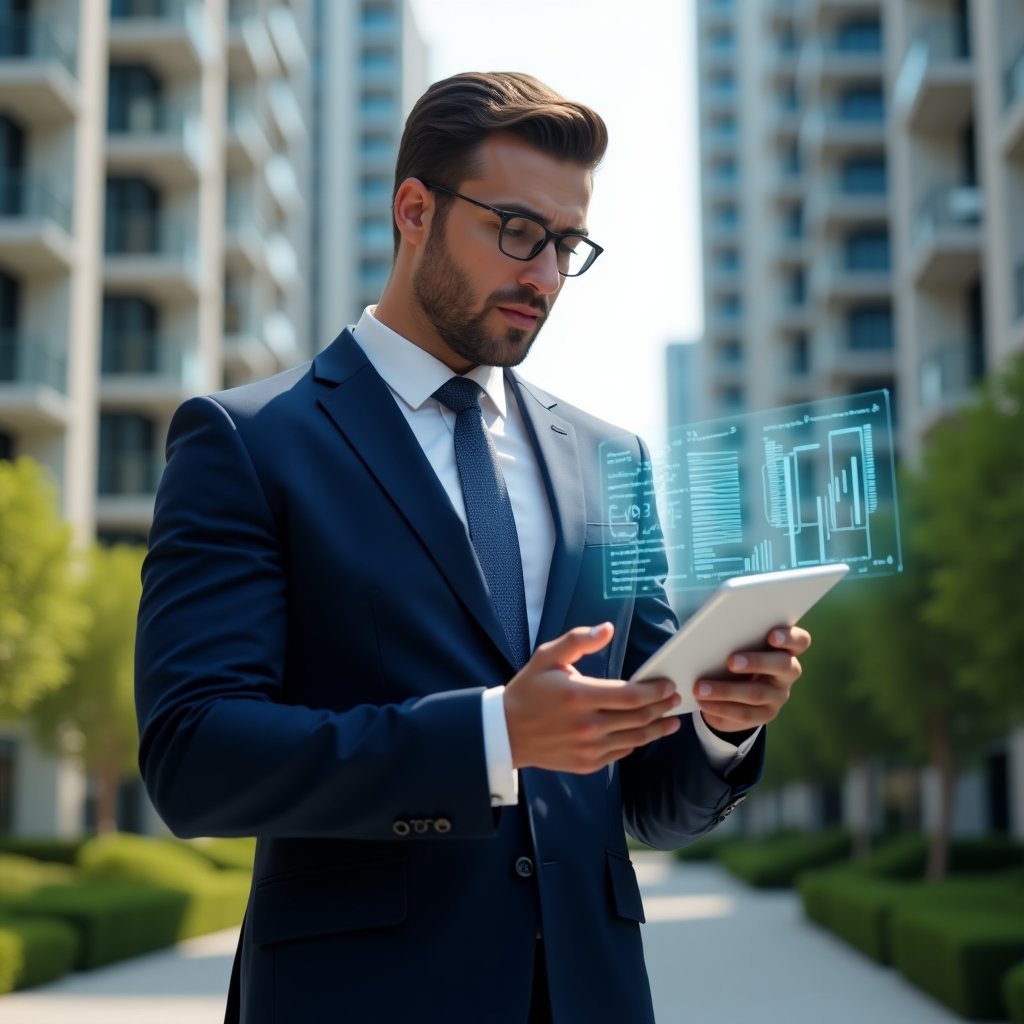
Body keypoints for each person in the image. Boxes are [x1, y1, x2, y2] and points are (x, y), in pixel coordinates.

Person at [135, 71, 809, 1024]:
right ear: (415, 209)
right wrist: (492, 735)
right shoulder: (248, 441)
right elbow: (194, 757)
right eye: (518, 231)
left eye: (568, 246)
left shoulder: (610, 460)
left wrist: (720, 723)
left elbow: (651, 802)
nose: (544, 274)